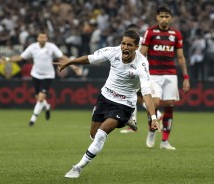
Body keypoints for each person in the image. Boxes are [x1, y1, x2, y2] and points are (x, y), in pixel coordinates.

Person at [54, 30, 161, 178]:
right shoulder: (113, 52)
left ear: (136, 47)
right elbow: (90, 58)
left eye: (129, 45)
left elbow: (146, 93)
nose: (125, 47)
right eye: (123, 43)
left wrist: (153, 117)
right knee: (93, 134)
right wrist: (71, 62)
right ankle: (128, 121)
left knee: (100, 134)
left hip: (124, 105)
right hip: (105, 98)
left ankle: (78, 167)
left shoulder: (142, 65)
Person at [0, 28, 83, 126]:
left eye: (44, 37)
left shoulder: (51, 47)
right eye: (41, 37)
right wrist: (8, 59)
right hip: (35, 75)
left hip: (48, 76)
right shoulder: (32, 47)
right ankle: (47, 107)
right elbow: (21, 57)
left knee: (40, 98)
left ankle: (32, 119)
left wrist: (74, 67)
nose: (42, 39)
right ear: (38, 39)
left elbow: (62, 57)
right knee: (39, 98)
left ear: (47, 38)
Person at [140, 3, 190, 150]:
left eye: (166, 16)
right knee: (154, 104)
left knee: (169, 104)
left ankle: (164, 141)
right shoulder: (150, 32)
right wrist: (140, 72)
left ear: (171, 18)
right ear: (157, 17)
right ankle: (152, 130)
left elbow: (180, 57)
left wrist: (186, 77)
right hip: (153, 74)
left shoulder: (176, 34)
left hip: (170, 74)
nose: (164, 19)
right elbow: (142, 54)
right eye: (161, 16)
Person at [120, 24, 163, 134]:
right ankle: (157, 116)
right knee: (138, 98)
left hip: (139, 72)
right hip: (143, 72)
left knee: (132, 95)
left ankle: (134, 123)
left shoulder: (141, 41)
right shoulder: (142, 40)